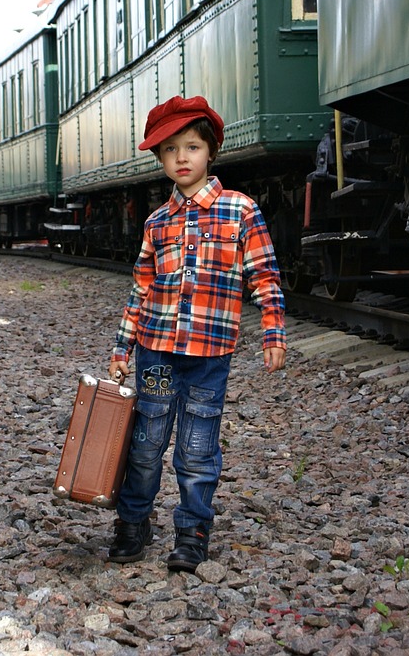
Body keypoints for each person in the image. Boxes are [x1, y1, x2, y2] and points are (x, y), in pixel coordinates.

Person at [107, 94, 286, 573]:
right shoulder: (157, 223)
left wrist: (273, 331)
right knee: (147, 440)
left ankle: (192, 529)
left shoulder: (240, 211)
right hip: (158, 354)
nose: (181, 158)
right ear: (160, 159)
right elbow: (141, 290)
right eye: (169, 151)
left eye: (191, 147)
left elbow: (264, 275)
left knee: (197, 447)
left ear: (211, 151)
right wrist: (123, 346)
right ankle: (134, 521)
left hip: (208, 356)